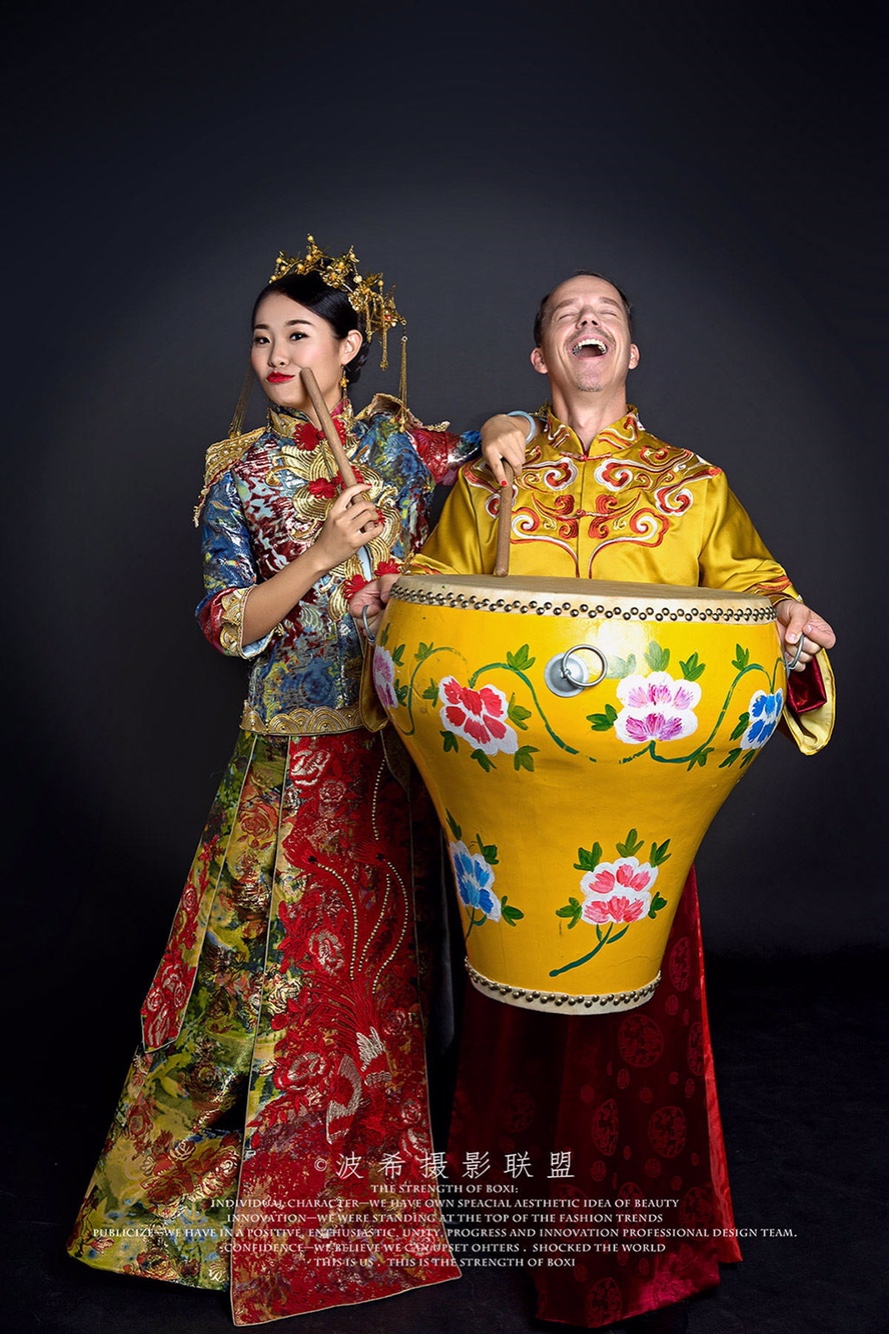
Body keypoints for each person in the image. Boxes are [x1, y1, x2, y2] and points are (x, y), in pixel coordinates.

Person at [356, 271, 835, 1331]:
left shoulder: (692, 485)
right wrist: (394, 597)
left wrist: (788, 622)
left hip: (634, 827)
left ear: (630, 353)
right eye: (567, 314)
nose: (588, 321)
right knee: (513, 1015)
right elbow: (426, 598)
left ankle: (628, 1257)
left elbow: (753, 585)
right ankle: (513, 1225)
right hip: (510, 818)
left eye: (607, 314)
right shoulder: (488, 484)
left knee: (628, 1029)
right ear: (540, 357)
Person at [66, 237, 529, 1327]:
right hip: (290, 759)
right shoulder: (238, 475)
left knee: (381, 991)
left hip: (396, 757)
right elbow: (227, 625)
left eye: (300, 335)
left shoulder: (398, 446)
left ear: (350, 347)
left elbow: (493, 443)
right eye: (263, 337)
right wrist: (319, 555)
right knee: (246, 984)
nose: (276, 354)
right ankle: (196, 1213)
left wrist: (509, 423)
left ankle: (358, 1204)